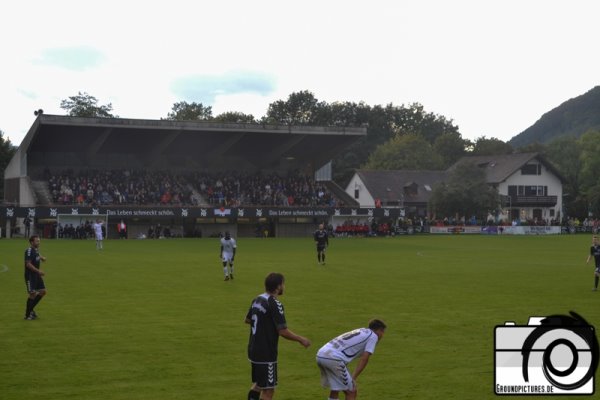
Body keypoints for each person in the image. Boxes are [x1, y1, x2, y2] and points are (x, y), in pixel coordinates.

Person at [245, 272, 311, 400]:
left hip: (253, 349)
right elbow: (282, 331)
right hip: (266, 353)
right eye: (283, 284)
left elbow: (247, 320)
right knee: (269, 390)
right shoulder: (274, 303)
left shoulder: (257, 299)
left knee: (258, 384)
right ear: (278, 287)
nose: (284, 287)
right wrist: (301, 339)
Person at [316, 319, 387, 400]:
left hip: (321, 354)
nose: (382, 335)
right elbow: (365, 358)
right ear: (379, 330)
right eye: (383, 332)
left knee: (336, 388)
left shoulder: (361, 330)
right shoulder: (373, 336)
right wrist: (353, 377)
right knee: (351, 391)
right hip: (333, 358)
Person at [24, 235, 47, 320]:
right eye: (37, 241)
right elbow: (28, 264)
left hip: (36, 275)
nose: (39, 242)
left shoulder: (35, 250)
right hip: (30, 275)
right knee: (32, 294)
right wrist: (38, 271)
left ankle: (31, 310)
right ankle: (27, 315)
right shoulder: (29, 251)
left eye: (39, 241)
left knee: (43, 292)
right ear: (32, 242)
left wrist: (42, 258)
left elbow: (37, 254)